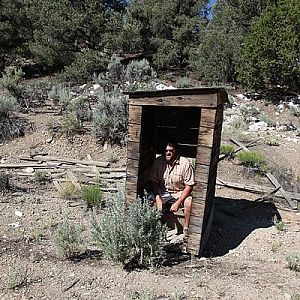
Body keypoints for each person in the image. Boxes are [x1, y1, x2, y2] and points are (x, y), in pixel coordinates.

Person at [149, 141, 195, 236]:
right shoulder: (159, 161)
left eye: (171, 151)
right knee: (149, 199)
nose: (168, 153)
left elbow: (189, 186)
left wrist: (178, 202)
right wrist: (158, 197)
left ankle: (185, 230)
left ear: (176, 151)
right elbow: (153, 181)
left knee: (188, 202)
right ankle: (152, 228)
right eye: (166, 151)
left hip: (179, 192)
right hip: (163, 191)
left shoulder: (185, 164)